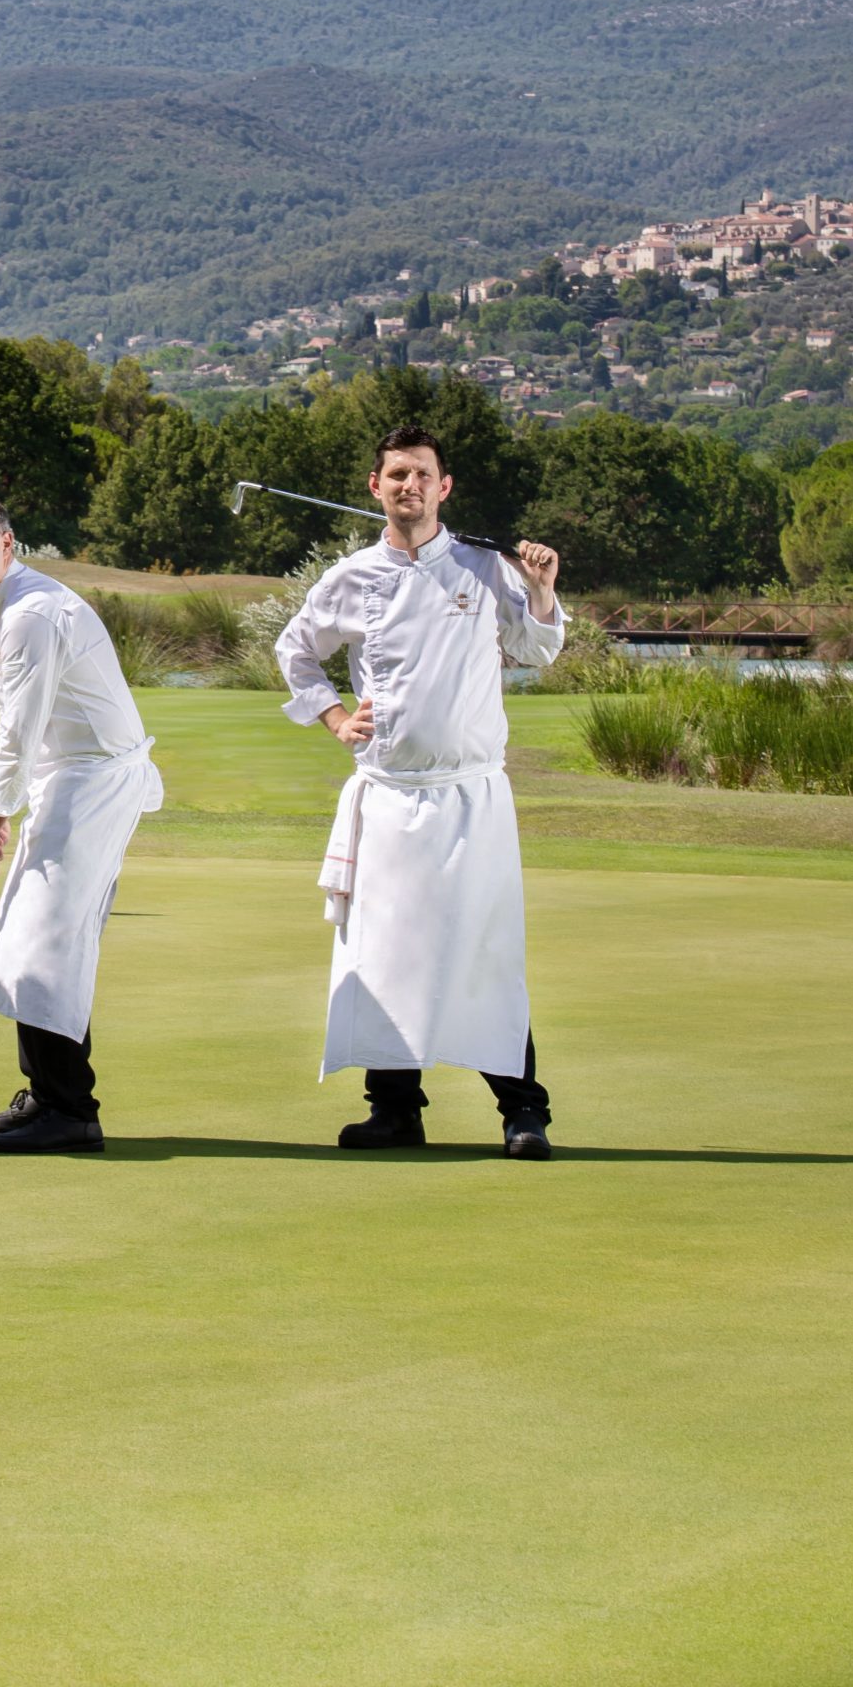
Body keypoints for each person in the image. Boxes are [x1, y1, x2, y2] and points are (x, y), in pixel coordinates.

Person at [275, 422, 565, 1158]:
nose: (409, 486)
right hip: (388, 796)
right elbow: (295, 652)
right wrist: (336, 718)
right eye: (395, 475)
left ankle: (521, 1111)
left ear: (444, 487)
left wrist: (538, 591)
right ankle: (394, 1110)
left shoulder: (484, 566)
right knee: (383, 952)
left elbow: (535, 650)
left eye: (421, 475)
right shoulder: (350, 576)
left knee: (484, 951)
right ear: (376, 487)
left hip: (470, 798)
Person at [0, 494, 163, 1153]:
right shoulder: (5, 605)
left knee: (45, 943)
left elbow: (17, 732)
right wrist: (6, 811)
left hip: (92, 780)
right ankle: (46, 1095)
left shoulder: (30, 615)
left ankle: (69, 1110)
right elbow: (27, 737)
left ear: (5, 546)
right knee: (32, 940)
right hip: (68, 777)